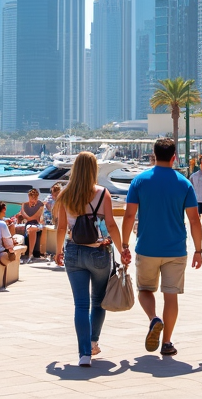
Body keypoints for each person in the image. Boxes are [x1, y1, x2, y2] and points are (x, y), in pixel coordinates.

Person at [121, 138, 202, 357]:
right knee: (171, 296)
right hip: (175, 250)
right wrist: (198, 250)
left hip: (147, 247)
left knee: (145, 290)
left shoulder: (140, 181)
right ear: (174, 157)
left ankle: (153, 319)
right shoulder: (184, 183)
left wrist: (124, 244)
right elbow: (195, 220)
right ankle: (167, 343)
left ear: (153, 156)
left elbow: (129, 215)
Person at [54, 151, 125, 367]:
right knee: (98, 302)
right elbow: (111, 225)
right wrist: (123, 250)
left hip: (74, 252)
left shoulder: (65, 194)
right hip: (99, 253)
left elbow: (62, 227)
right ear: (94, 169)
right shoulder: (102, 193)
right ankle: (93, 342)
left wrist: (58, 251)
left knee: (81, 305)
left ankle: (84, 353)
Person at [16, 188, 45, 263]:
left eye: (35, 198)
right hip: (29, 224)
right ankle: (30, 254)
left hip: (38, 224)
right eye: (31, 198)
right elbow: (26, 218)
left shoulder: (40, 204)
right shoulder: (24, 204)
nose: (33, 200)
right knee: (31, 228)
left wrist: (27, 217)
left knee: (32, 228)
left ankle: (30, 253)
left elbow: (34, 217)